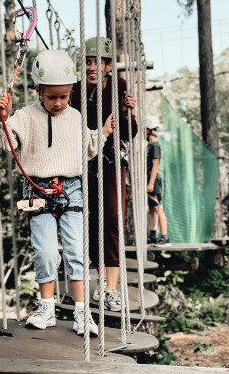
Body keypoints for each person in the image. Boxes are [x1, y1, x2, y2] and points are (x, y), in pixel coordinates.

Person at [0, 50, 115, 335]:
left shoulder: (74, 117)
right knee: (44, 251)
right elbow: (4, 141)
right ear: (38, 90)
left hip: (71, 189)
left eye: (63, 96)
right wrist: (2, 119)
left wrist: (104, 133)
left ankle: (83, 313)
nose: (58, 103)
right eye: (51, 97)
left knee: (75, 251)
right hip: (36, 189)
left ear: (71, 91)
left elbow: (89, 149)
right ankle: (47, 307)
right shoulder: (25, 116)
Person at [70, 37, 138, 312]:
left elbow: (130, 133)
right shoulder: (73, 92)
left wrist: (127, 113)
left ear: (108, 65)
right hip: (84, 161)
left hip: (111, 160)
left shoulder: (119, 86)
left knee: (112, 217)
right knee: (89, 220)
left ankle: (111, 288)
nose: (91, 67)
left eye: (97, 62)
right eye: (87, 62)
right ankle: (97, 280)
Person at [146, 117, 169, 245]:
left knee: (159, 207)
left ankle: (165, 237)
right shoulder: (149, 145)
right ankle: (153, 235)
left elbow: (155, 165)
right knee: (152, 208)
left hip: (153, 180)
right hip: (149, 180)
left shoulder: (155, 146)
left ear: (149, 130)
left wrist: (150, 183)